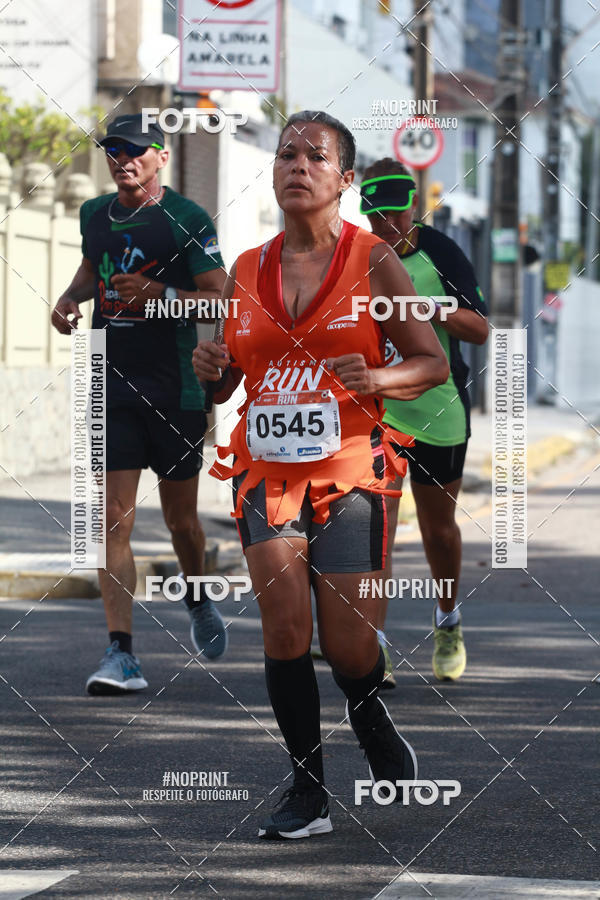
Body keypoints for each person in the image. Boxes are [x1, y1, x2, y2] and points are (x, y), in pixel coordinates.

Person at [192, 111, 449, 839]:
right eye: (286, 154)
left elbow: (430, 362)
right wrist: (212, 369)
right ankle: (308, 793)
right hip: (266, 474)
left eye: (315, 156)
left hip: (352, 472)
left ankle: (369, 715)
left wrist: (376, 375)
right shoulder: (246, 270)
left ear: (345, 179)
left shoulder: (373, 260)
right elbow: (228, 378)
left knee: (350, 648)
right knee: (283, 630)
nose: (297, 166)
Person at [51, 114, 228, 695]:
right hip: (111, 386)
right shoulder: (93, 213)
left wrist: (159, 295)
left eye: (135, 150)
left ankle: (197, 595)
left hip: (175, 389)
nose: (123, 159)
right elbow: (91, 266)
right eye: (113, 150)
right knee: (112, 519)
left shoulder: (188, 218)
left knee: (181, 522)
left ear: (161, 156)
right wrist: (70, 297)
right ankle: (120, 653)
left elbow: (219, 299)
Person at [359, 158, 489, 685]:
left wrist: (430, 307)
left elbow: (479, 328)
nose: (386, 225)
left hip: (439, 407)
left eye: (395, 214)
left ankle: (448, 620)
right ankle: (375, 645)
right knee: (377, 532)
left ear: (413, 206)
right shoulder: (356, 255)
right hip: (379, 411)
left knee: (438, 531)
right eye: (376, 216)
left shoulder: (441, 252)